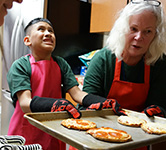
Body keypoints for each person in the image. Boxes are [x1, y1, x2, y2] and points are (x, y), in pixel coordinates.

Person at [7, 18, 125, 150]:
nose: (48, 33)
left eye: (51, 31)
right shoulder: (20, 66)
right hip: (26, 132)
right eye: (41, 29)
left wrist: (102, 102)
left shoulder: (61, 64)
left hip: (54, 129)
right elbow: (25, 104)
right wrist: (55, 105)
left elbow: (77, 94)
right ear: (27, 40)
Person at [82, 0, 166, 150]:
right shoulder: (102, 60)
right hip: (98, 137)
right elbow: (86, 104)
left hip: (138, 139)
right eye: (133, 28)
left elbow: (160, 103)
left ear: (156, 35)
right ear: (122, 28)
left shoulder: (158, 64)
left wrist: (158, 110)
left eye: (148, 31)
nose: (139, 37)